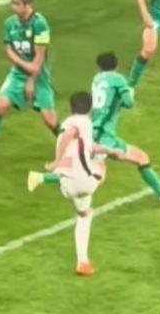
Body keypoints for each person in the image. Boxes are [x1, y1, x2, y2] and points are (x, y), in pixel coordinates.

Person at [0, 0, 59, 169]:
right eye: (12, 3)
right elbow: (8, 50)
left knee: (50, 121)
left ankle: (72, 149)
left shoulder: (40, 24)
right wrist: (22, 65)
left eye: (16, 4)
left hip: (39, 77)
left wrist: (31, 81)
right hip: (17, 74)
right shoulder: (10, 23)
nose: (13, 7)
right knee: (0, 108)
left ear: (26, 5)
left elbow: (38, 62)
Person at [28, 92, 108, 276]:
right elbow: (71, 137)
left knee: (85, 213)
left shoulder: (66, 123)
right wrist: (56, 161)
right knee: (102, 164)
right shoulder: (83, 123)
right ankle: (82, 261)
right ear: (90, 107)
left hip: (66, 182)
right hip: (83, 183)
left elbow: (70, 145)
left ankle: (83, 263)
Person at [92, 52, 160, 206]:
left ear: (99, 67)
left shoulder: (96, 79)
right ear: (116, 65)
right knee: (97, 177)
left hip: (96, 131)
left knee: (141, 158)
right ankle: (55, 179)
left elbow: (109, 102)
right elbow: (129, 103)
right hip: (104, 135)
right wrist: (129, 93)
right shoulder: (118, 79)